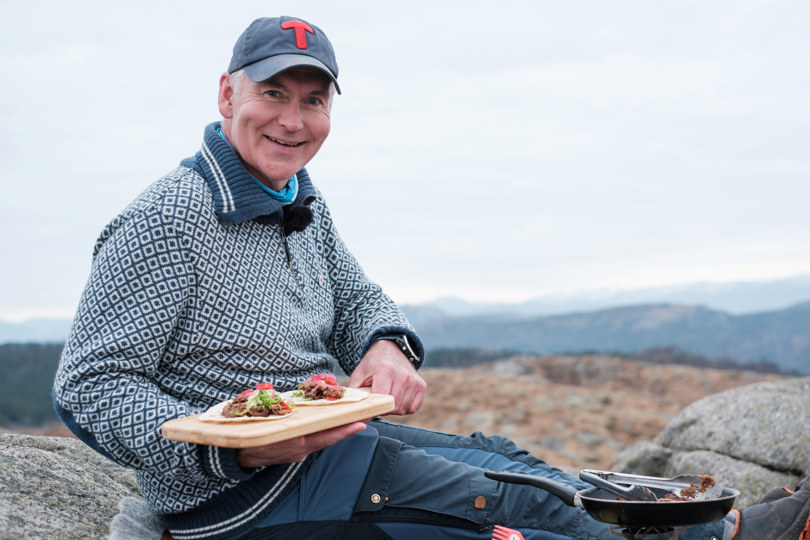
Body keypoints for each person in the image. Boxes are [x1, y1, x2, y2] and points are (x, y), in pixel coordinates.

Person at [53, 15, 810, 540]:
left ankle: (726, 527)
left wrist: (386, 343)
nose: (293, 120)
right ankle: (734, 536)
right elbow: (89, 387)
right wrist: (232, 450)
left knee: (513, 462)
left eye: (313, 100)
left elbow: (357, 297)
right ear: (228, 95)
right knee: (522, 508)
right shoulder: (167, 220)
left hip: (334, 449)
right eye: (273, 93)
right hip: (246, 502)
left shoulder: (298, 201)